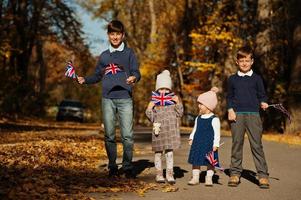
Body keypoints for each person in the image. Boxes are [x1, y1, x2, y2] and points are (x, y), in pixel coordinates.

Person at [77, 20, 141, 178]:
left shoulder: (129, 53)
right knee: (109, 135)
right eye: (112, 34)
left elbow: (136, 71)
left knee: (127, 135)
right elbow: (97, 75)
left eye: (118, 34)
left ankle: (127, 166)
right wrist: (85, 80)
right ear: (108, 35)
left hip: (125, 98)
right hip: (108, 99)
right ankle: (112, 166)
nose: (115, 37)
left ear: (123, 35)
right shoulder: (104, 56)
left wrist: (134, 77)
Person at [227, 45, 269, 188]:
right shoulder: (232, 79)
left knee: (256, 145)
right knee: (237, 144)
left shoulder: (257, 79)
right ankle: (235, 173)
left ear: (252, 61)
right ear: (237, 62)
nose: (244, 63)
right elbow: (230, 97)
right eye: (241, 60)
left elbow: (262, 94)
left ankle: (262, 175)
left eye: (247, 60)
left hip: (253, 115)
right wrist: (230, 109)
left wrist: (263, 102)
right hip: (237, 115)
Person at [145, 70, 183, 184]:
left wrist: (178, 103)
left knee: (169, 153)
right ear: (157, 90)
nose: (164, 92)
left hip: (170, 131)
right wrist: (149, 108)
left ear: (170, 90)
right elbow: (151, 117)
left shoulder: (172, 101)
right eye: (161, 89)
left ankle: (170, 174)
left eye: (166, 89)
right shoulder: (155, 102)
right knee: (158, 153)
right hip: (159, 131)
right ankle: (159, 174)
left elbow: (180, 113)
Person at [187, 87, 221, 186]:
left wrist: (216, 144)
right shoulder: (198, 118)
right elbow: (195, 129)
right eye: (199, 104)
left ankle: (209, 178)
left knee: (210, 162)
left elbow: (217, 133)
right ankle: (195, 177)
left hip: (209, 144)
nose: (199, 106)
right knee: (196, 161)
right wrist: (191, 137)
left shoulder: (214, 119)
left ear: (208, 106)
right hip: (198, 143)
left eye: (201, 104)